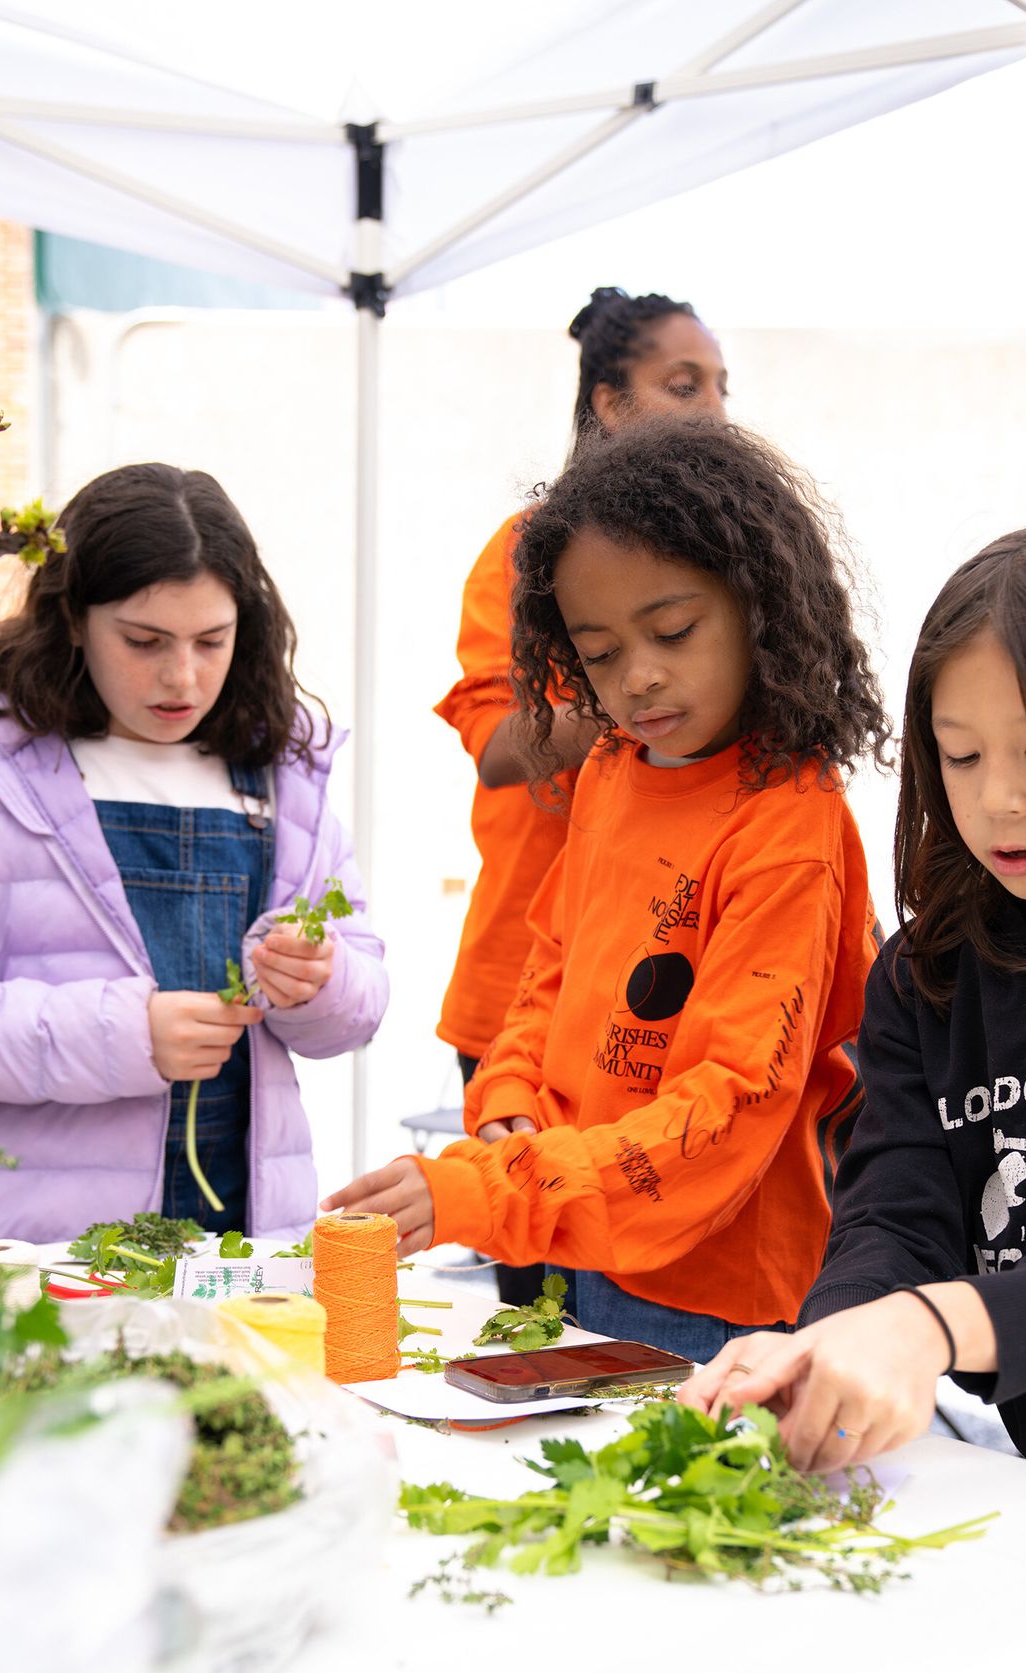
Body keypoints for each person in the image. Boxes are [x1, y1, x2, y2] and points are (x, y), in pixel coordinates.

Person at [684, 506, 1026, 1528]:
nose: (999, 802)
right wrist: (826, 1347)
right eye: (961, 756)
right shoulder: (929, 975)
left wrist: (927, 1327)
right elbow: (894, 1217)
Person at [326, 416, 887, 1363]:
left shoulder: (789, 822)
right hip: (594, 1245)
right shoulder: (612, 768)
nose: (640, 678)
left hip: (718, 1293)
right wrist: (511, 1090)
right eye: (598, 653)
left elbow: (733, 1103)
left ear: (760, 609)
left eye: (672, 632)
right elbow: (553, 965)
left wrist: (491, 1190)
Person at [0, 462, 388, 1241]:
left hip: (244, 1239)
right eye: (144, 641)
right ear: (72, 619)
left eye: (211, 641)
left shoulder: (283, 773)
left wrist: (320, 982)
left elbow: (358, 1011)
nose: (182, 677)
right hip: (45, 1254)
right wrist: (129, 1035)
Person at [433, 286, 728, 1304]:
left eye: (720, 386)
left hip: (670, 1014)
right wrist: (645, 688)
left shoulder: (728, 560)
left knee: (645, 1327)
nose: (712, 409)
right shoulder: (526, 552)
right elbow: (497, 748)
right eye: (682, 384)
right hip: (527, 999)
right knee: (539, 1335)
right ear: (608, 400)